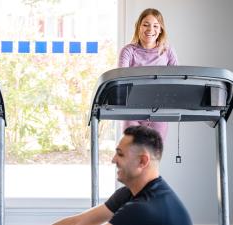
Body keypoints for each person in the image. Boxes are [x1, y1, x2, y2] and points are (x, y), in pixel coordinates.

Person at [52, 125, 192, 225]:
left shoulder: (141, 209)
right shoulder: (131, 193)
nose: (113, 159)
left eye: (120, 154)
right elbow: (79, 222)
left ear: (142, 161)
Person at [119, 8, 178, 139]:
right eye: (146, 24)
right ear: (138, 26)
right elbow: (121, 80)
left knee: (153, 157)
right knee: (133, 155)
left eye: (155, 25)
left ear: (161, 29)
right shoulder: (128, 51)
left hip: (159, 112)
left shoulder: (167, 51)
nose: (150, 29)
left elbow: (176, 81)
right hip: (131, 111)